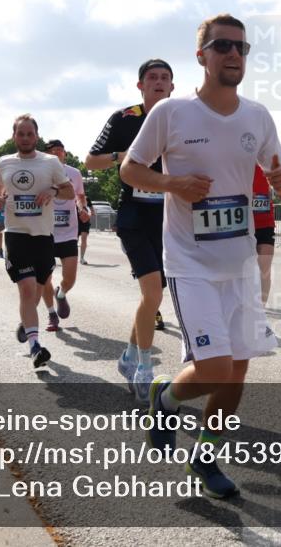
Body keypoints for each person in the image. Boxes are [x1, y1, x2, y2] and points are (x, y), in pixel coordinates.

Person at [123, 15, 281, 498]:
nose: (234, 54)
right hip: (190, 263)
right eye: (222, 46)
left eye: (241, 47)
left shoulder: (257, 116)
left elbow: (276, 171)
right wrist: (172, 182)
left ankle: (205, 456)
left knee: (237, 370)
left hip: (237, 264)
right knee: (215, 369)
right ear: (202, 56)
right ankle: (165, 397)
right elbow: (132, 171)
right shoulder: (171, 114)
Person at [86, 58, 175, 402]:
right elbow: (90, 160)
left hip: (169, 217)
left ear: (172, 87)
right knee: (152, 293)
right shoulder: (125, 118)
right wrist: (121, 157)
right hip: (134, 215)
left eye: (165, 78)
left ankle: (127, 356)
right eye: (152, 77)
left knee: (153, 294)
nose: (158, 82)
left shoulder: (180, 119)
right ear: (140, 86)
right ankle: (145, 369)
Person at [0, 114, 74, 368]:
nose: (25, 138)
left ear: (36, 136)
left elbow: (69, 191)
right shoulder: (5, 162)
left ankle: (27, 325)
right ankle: (35, 346)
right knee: (27, 290)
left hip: (43, 236)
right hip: (16, 233)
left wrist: (53, 190)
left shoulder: (50, 162)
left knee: (38, 291)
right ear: (14, 136)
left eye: (29, 134)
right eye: (20, 134)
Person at [40, 139, 88, 332]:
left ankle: (61, 294)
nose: (58, 153)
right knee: (45, 278)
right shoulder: (40, 172)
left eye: (61, 150)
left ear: (65, 154)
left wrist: (83, 208)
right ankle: (52, 314)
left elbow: (80, 196)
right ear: (47, 154)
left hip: (68, 232)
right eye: (53, 150)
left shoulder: (74, 173)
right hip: (45, 231)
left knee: (70, 278)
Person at [252, 165, 278, 304]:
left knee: (265, 266)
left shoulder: (267, 157)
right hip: (242, 222)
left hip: (265, 221)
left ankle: (261, 311)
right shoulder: (236, 155)